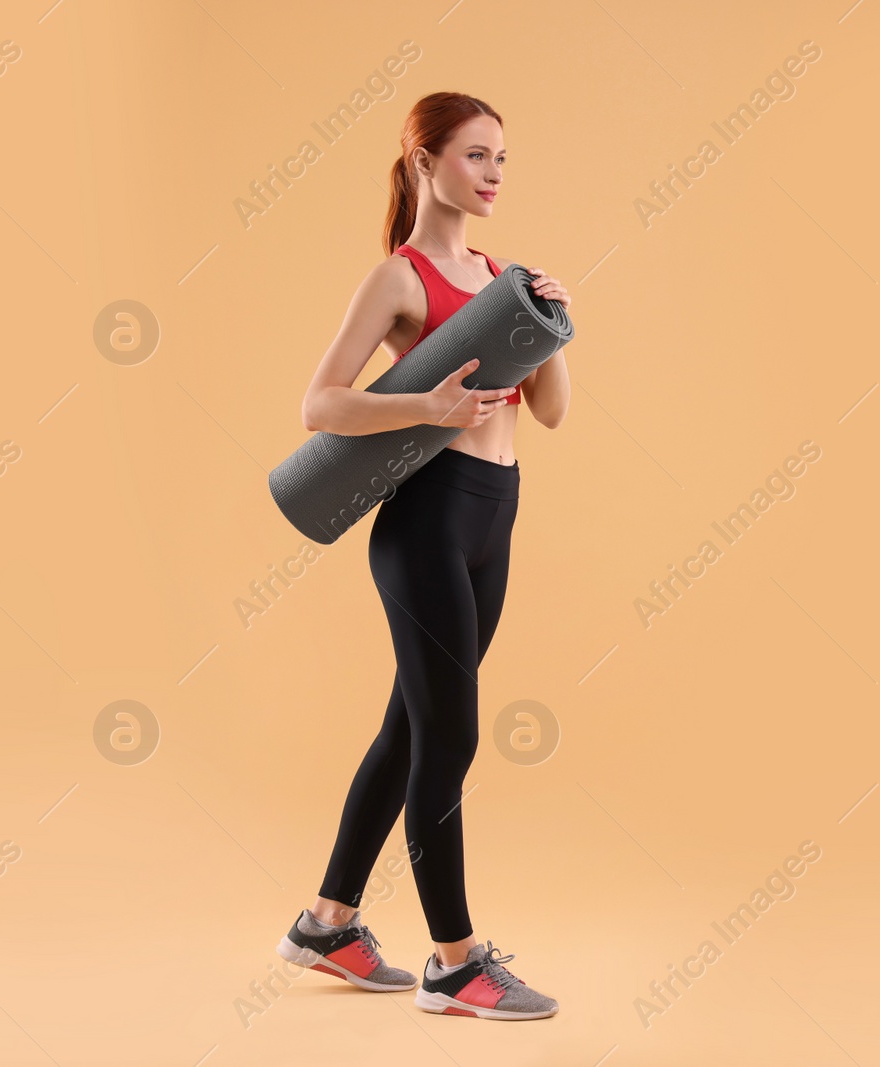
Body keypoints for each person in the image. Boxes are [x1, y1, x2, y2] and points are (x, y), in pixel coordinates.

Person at [273, 91, 571, 1021]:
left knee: (411, 730)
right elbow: (321, 405)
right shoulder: (398, 279)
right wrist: (426, 408)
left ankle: (327, 922)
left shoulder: (500, 276)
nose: (491, 174)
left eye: (501, 160)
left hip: (496, 515)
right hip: (427, 522)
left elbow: (551, 413)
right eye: (475, 155)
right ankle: (456, 961)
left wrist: (550, 324)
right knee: (451, 734)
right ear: (423, 162)